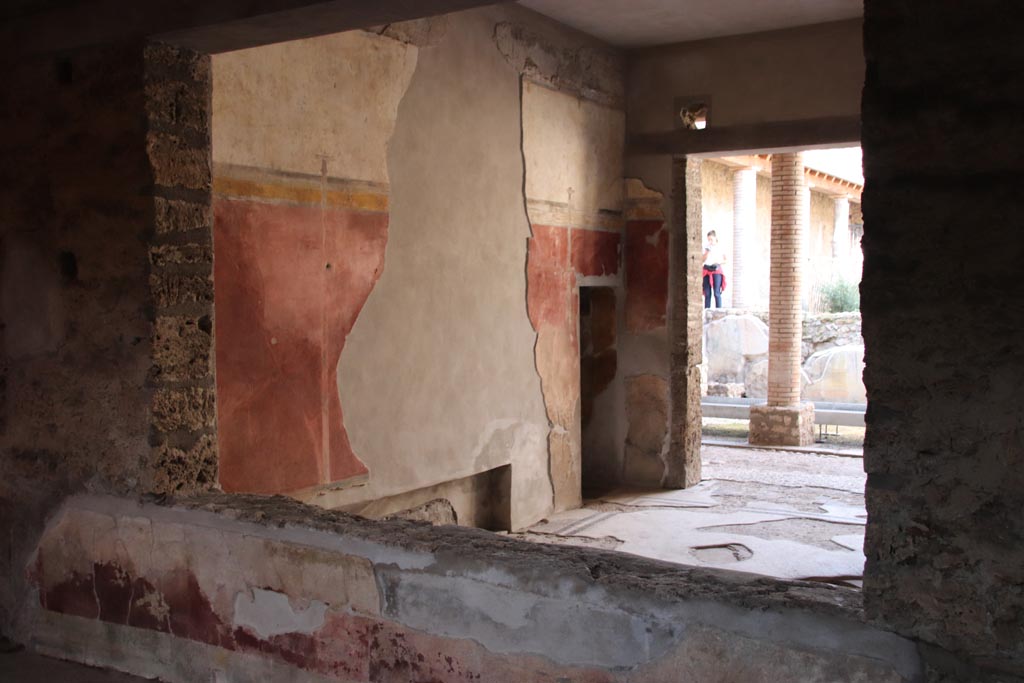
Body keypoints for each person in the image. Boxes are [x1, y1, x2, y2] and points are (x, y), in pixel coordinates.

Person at [702, 230, 728, 308]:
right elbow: (702, 259)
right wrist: (707, 252)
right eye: (708, 239)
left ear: (715, 238)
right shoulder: (706, 247)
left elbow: (726, 260)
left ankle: (719, 310)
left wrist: (719, 261)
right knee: (707, 293)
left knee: (717, 292)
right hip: (707, 269)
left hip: (716, 269)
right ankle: (707, 311)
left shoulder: (720, 247)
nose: (710, 241)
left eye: (711, 239)